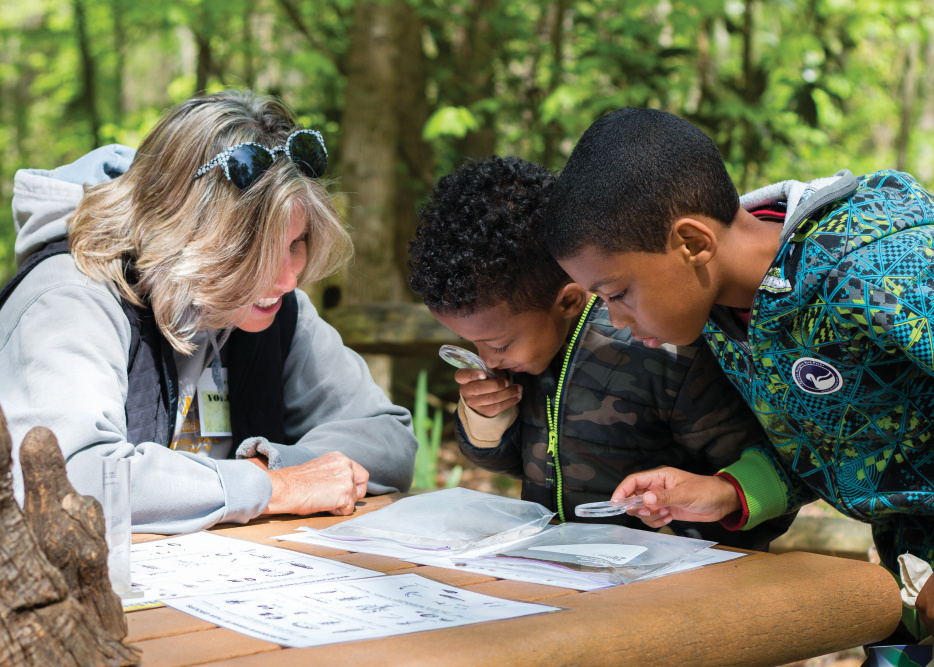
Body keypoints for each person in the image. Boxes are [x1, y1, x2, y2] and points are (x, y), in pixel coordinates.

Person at [543, 106, 934, 637]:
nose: (617, 320)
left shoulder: (879, 268)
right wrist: (722, 492)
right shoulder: (730, 320)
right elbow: (832, 441)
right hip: (910, 561)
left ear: (692, 244)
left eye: (619, 294)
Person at [0, 90, 417, 534]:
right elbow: (65, 477)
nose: (288, 279)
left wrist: (282, 468)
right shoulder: (71, 295)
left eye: (296, 244)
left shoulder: (275, 307)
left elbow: (388, 438)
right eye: (255, 251)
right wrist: (269, 487)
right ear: (179, 227)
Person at [407, 154, 794, 550]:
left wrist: (696, 516)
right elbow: (513, 463)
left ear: (569, 301)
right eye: (475, 346)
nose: (488, 361)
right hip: (562, 570)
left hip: (671, 578)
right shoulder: (527, 356)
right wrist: (488, 417)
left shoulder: (665, 352)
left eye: (499, 344)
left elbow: (773, 471)